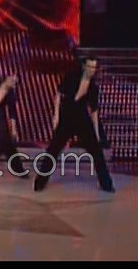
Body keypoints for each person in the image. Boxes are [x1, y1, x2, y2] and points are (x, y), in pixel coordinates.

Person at [33, 56, 115, 192]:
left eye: (94, 68)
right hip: (67, 116)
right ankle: (40, 182)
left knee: (97, 152)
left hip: (82, 119)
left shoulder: (93, 87)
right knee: (53, 150)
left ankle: (106, 184)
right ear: (84, 67)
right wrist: (56, 116)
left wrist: (96, 133)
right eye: (89, 67)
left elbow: (94, 111)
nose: (91, 70)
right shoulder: (72, 77)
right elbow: (59, 95)